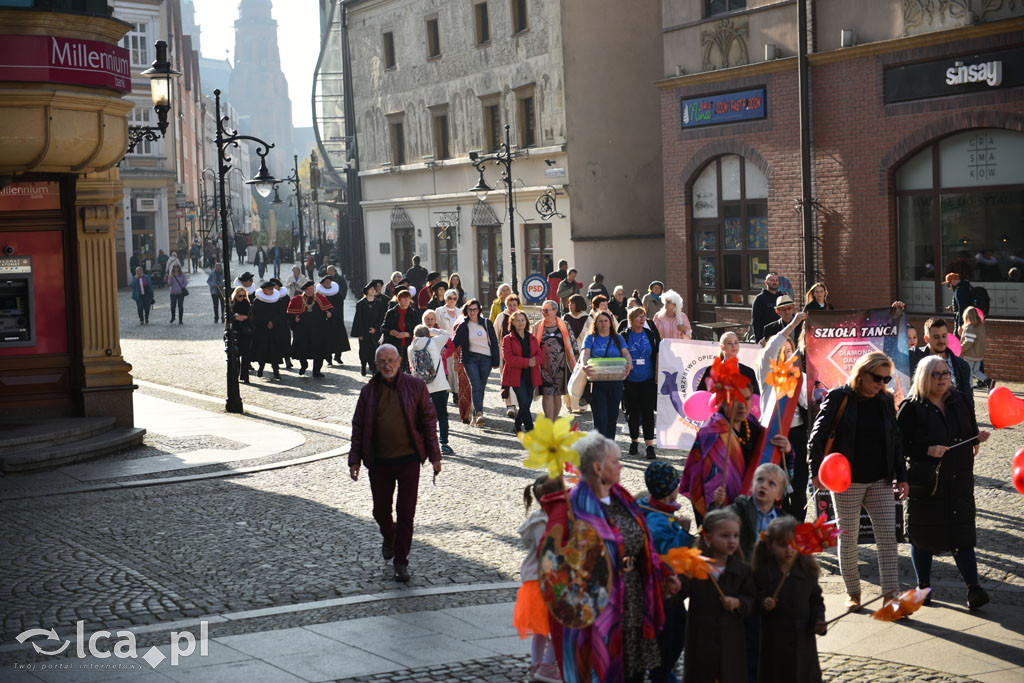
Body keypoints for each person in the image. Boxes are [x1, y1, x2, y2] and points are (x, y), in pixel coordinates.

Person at [542, 432, 669, 683]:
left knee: (631, 670)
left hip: (633, 599)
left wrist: (663, 574)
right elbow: (550, 567)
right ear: (598, 467)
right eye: (615, 461)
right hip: (597, 611)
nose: (621, 465)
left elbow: (644, 544)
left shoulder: (623, 498)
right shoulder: (571, 508)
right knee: (602, 669)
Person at [808, 351, 908, 611]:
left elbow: (896, 440)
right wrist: (815, 472)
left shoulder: (886, 401)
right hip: (846, 481)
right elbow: (816, 438)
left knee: (888, 537)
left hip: (880, 479)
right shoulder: (840, 397)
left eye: (887, 379)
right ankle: (853, 592)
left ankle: (891, 597)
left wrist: (902, 475)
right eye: (877, 378)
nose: (882, 384)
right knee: (849, 537)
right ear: (862, 374)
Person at [898, 355, 991, 610]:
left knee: (963, 534)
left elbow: (968, 431)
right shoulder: (911, 406)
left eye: (945, 373)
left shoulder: (959, 400)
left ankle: (974, 588)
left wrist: (977, 437)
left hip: (959, 480)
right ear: (924, 377)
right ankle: (923, 586)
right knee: (923, 535)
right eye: (936, 374)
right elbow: (898, 446)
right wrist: (926, 450)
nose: (942, 379)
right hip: (928, 483)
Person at [349, 344, 442, 583]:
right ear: (377, 364)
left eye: (391, 361)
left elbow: (429, 422)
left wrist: (435, 456)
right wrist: (354, 459)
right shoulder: (368, 391)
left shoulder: (416, 386)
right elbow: (358, 426)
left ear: (400, 362)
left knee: (406, 513)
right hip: (379, 460)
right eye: (383, 362)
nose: (387, 366)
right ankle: (388, 537)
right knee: (380, 511)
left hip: (409, 459)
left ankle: (401, 561)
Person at [681, 385, 790, 523]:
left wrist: (785, 450)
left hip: (747, 501)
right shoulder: (713, 431)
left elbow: (766, 453)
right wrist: (717, 506)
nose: (742, 406)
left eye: (747, 399)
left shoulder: (750, 422)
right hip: (719, 508)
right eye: (735, 400)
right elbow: (704, 480)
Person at [680, 508, 755, 683]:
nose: (732, 541)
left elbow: (753, 601)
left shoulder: (742, 570)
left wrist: (738, 602)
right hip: (701, 640)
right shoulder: (695, 567)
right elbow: (679, 594)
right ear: (707, 538)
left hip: (731, 642)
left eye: (735, 536)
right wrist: (673, 587)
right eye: (725, 536)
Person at [752, 517, 827, 683]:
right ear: (770, 546)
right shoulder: (763, 573)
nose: (788, 550)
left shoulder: (807, 571)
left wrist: (818, 621)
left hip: (802, 639)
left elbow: (816, 600)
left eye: (793, 544)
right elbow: (753, 598)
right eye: (782, 545)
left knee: (804, 674)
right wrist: (764, 602)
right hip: (775, 639)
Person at [637, 461, 692, 683]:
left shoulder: (652, 508)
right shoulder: (657, 519)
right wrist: (685, 533)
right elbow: (670, 553)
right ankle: (661, 673)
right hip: (663, 590)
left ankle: (662, 670)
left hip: (667, 590)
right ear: (671, 489)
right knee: (672, 634)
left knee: (678, 629)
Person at [756, 312, 810, 517]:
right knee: (774, 485)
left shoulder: (800, 376)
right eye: (782, 350)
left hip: (796, 433)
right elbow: (773, 345)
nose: (786, 354)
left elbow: (807, 404)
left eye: (789, 351)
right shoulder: (766, 371)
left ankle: (796, 529)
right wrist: (795, 323)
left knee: (798, 485)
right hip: (772, 432)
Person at [515, 474, 563, 683]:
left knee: (540, 629)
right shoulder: (550, 521)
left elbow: (527, 543)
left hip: (533, 582)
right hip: (549, 582)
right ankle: (547, 666)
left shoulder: (534, 519)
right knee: (558, 626)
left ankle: (536, 665)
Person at [581, 311, 632, 440]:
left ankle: (610, 447)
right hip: (597, 382)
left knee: (612, 417)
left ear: (610, 323)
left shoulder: (618, 338)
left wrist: (630, 364)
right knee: (600, 417)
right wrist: (584, 365)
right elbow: (585, 354)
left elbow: (625, 353)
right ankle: (599, 448)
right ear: (596, 324)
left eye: (606, 321)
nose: (603, 324)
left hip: (616, 382)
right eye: (600, 321)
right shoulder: (590, 338)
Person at [620, 306, 662, 459]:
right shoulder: (624, 336)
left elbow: (659, 351)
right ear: (631, 319)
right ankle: (634, 441)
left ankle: (650, 446)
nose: (642, 319)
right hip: (630, 380)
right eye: (639, 316)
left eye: (643, 316)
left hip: (648, 380)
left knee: (648, 413)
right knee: (632, 413)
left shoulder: (650, 334)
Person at [728, 462, 790, 562]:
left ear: (779, 495)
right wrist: (717, 505)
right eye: (760, 480)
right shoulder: (739, 509)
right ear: (752, 486)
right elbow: (719, 522)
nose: (764, 486)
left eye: (771, 483)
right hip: (744, 568)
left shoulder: (782, 520)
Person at [452, 299, 500, 426]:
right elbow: (455, 342)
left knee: (481, 387)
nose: (473, 312)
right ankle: (479, 413)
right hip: (470, 358)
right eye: (470, 310)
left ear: (479, 310)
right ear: (466, 311)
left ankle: (476, 414)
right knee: (476, 385)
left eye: (475, 309)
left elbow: (494, 342)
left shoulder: (486, 323)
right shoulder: (463, 326)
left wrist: (496, 360)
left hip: (486, 359)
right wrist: (444, 349)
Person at [408, 323, 453, 456]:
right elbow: (446, 333)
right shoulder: (434, 342)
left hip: (421, 388)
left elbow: (412, 367)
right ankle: (444, 444)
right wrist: (432, 330)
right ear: (428, 334)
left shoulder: (411, 348)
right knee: (442, 416)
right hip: (438, 385)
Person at [910, 317, 973, 410]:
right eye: (936, 337)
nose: (941, 341)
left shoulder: (962, 365)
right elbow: (895, 352)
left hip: (954, 417)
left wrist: (971, 423)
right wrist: (896, 317)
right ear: (926, 339)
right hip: (927, 417)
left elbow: (968, 399)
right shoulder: (915, 357)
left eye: (944, 336)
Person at [534, 300, 576, 421]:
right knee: (547, 394)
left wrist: (575, 362)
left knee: (557, 394)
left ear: (555, 310)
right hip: (543, 366)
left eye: (547, 310)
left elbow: (572, 344)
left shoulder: (564, 325)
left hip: (561, 365)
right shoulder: (537, 326)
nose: (544, 313)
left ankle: (554, 419)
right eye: (543, 310)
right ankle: (549, 422)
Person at [502, 310, 542, 434]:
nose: (520, 323)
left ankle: (517, 425)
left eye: (523, 320)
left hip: (531, 375)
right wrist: (527, 362)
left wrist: (535, 361)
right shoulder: (507, 339)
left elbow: (540, 354)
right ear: (512, 322)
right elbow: (509, 358)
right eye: (518, 320)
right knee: (523, 401)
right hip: (516, 376)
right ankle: (530, 428)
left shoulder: (532, 337)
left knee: (526, 405)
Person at [287, 280, 334, 377]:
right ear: (304, 290)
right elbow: (289, 315)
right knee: (301, 349)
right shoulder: (296, 300)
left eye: (312, 289)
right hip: (302, 331)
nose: (310, 291)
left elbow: (331, 310)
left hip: (318, 331)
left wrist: (330, 314)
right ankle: (303, 365)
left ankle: (316, 371)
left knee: (319, 351)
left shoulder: (321, 298)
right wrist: (294, 320)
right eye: (308, 289)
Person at [696, 331, 760, 396]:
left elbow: (756, 398)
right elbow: (701, 395)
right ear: (722, 347)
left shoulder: (749, 372)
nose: (733, 346)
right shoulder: (711, 371)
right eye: (729, 343)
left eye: (736, 343)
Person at [494, 293, 523, 418]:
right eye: (510, 305)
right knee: (507, 378)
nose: (512, 307)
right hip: (505, 353)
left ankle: (517, 403)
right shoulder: (501, 317)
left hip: (520, 354)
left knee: (519, 379)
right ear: (506, 305)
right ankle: (510, 405)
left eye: (514, 305)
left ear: (517, 305)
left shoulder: (521, 317)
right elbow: (495, 334)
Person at [380, 289, 422, 373]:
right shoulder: (391, 313)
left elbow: (419, 330)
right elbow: (383, 327)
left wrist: (408, 334)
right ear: (398, 300)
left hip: (409, 345)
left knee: (410, 370)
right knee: (395, 370)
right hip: (394, 345)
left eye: (408, 299)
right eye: (404, 298)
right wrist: (391, 332)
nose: (406, 301)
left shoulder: (414, 313)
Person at [352, 281, 387, 377]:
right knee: (364, 350)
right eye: (371, 289)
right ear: (366, 291)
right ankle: (363, 365)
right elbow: (357, 319)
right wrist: (359, 333)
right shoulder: (361, 304)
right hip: (364, 331)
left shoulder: (379, 303)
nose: (373, 291)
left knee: (374, 349)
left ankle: (374, 367)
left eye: (374, 289)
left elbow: (381, 318)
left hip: (375, 332)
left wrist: (376, 329)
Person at [251, 281, 284, 379]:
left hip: (275, 329)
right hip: (262, 330)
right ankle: (261, 368)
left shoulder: (277, 300)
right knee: (262, 350)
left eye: (272, 289)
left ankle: (276, 370)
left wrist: (273, 322)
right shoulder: (257, 301)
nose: (271, 291)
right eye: (269, 289)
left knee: (275, 351)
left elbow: (281, 314)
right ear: (263, 290)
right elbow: (255, 316)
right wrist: (266, 323)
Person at [317, 274, 351, 366]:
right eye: (326, 282)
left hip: (337, 320)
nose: (328, 283)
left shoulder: (337, 295)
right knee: (327, 340)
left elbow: (339, 307)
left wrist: (333, 313)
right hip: (325, 321)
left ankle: (338, 356)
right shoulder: (320, 296)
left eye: (329, 282)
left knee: (338, 339)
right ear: (323, 284)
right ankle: (329, 359)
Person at [959, 306, 992, 389]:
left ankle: (969, 390)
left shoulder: (970, 328)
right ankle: (988, 381)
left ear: (967, 317)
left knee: (969, 372)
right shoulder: (981, 326)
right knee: (975, 371)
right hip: (979, 355)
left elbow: (968, 342)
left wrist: (960, 349)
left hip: (970, 354)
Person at [230, 286, 254, 383]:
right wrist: (235, 317)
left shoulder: (247, 303)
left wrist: (246, 317)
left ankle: (245, 376)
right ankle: (236, 374)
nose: (242, 297)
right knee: (236, 355)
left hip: (246, 331)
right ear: (235, 295)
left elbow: (251, 316)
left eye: (244, 295)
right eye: (240, 295)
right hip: (235, 332)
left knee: (246, 354)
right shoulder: (231, 304)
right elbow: (227, 316)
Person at [269, 278, 293, 370]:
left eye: (275, 285)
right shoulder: (269, 297)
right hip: (274, 324)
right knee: (275, 344)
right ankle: (276, 363)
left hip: (283, 323)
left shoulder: (285, 297)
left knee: (286, 342)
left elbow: (288, 310)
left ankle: (288, 360)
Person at [751, 272, 781, 343]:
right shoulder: (759, 299)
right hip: (766, 338)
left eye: (776, 280)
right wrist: (758, 340)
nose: (775, 282)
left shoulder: (782, 297)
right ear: (766, 282)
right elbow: (756, 321)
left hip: (781, 336)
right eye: (772, 280)